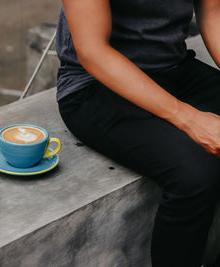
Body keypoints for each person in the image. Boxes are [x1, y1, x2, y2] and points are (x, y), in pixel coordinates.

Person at [56, 0, 220, 266]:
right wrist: (191, 119)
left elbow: (213, 14)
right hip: (95, 86)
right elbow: (93, 51)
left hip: (174, 69)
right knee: (196, 175)